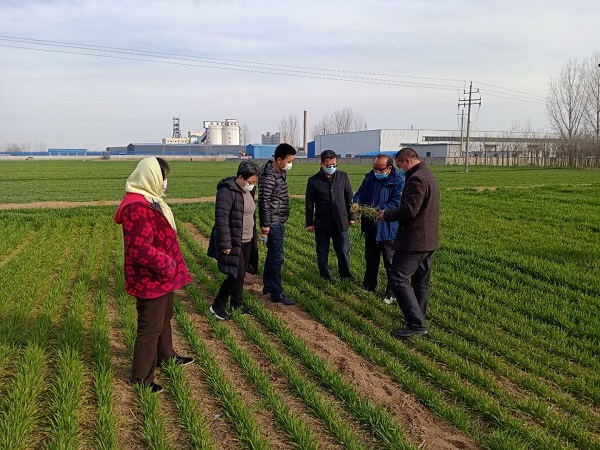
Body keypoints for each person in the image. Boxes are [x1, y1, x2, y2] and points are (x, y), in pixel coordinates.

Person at [114, 157, 194, 394]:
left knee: (164, 317)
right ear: (150, 177)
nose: (165, 181)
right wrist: (168, 264)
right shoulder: (135, 208)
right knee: (149, 328)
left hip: (162, 277)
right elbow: (139, 249)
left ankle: (167, 355)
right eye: (163, 176)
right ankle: (142, 377)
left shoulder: (151, 200)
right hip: (151, 278)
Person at [377, 148, 440, 338]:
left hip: (414, 241)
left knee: (398, 279)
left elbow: (410, 210)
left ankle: (416, 325)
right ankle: (418, 319)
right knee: (420, 282)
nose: (399, 169)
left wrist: (387, 215)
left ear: (406, 161)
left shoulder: (417, 179)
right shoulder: (428, 175)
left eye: (399, 165)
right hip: (429, 240)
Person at [207, 160, 260, 320]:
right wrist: (225, 244)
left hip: (247, 239)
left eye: (254, 182)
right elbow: (221, 219)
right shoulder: (226, 191)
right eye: (250, 182)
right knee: (235, 274)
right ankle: (217, 306)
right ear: (240, 177)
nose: (252, 185)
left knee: (241, 274)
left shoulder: (248, 191)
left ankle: (237, 305)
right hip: (233, 240)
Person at [353, 154, 404, 303]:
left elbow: (396, 204)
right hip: (370, 225)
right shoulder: (369, 178)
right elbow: (359, 194)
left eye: (380, 169)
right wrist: (356, 203)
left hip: (388, 228)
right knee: (370, 259)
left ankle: (392, 292)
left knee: (390, 262)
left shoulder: (398, 182)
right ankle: (369, 286)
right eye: (375, 168)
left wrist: (378, 211)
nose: (377, 171)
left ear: (389, 168)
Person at [305, 150, 356, 281]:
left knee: (343, 250)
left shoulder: (343, 177)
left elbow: (349, 197)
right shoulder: (313, 180)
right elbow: (309, 203)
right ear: (322, 164)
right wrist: (309, 222)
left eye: (334, 164)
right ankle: (325, 276)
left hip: (340, 220)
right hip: (322, 222)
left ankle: (345, 275)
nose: (332, 167)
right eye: (328, 165)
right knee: (322, 251)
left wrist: (351, 217)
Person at [258, 143, 297, 306]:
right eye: (289, 161)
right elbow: (264, 201)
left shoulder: (279, 173)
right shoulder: (269, 176)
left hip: (278, 219)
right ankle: (276, 292)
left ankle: (268, 285)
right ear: (279, 160)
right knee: (277, 257)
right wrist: (266, 224)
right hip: (273, 221)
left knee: (273, 255)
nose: (291, 164)